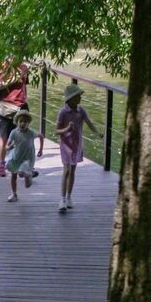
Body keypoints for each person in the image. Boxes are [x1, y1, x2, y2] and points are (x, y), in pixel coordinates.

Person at [56, 84, 96, 213]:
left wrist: (97, 132)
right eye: (77, 96)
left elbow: (88, 122)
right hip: (66, 144)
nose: (80, 98)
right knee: (66, 170)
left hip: (76, 144)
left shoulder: (81, 110)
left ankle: (69, 197)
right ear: (71, 98)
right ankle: (62, 199)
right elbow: (57, 130)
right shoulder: (63, 112)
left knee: (73, 170)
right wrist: (67, 129)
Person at [0, 57, 29, 177]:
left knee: (22, 137)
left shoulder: (24, 67)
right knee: (4, 138)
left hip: (21, 106)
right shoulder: (2, 68)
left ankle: (20, 165)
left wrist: (24, 98)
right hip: (6, 106)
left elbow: (24, 86)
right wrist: (13, 77)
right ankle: (2, 165)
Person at [4, 108, 40, 202]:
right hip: (16, 157)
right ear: (17, 122)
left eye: (25, 122)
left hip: (27, 158)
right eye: (21, 121)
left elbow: (41, 136)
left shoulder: (31, 133)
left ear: (28, 123)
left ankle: (28, 174)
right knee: (14, 175)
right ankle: (14, 194)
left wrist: (41, 149)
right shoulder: (14, 132)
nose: (23, 124)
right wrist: (9, 147)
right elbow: (7, 146)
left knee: (20, 174)